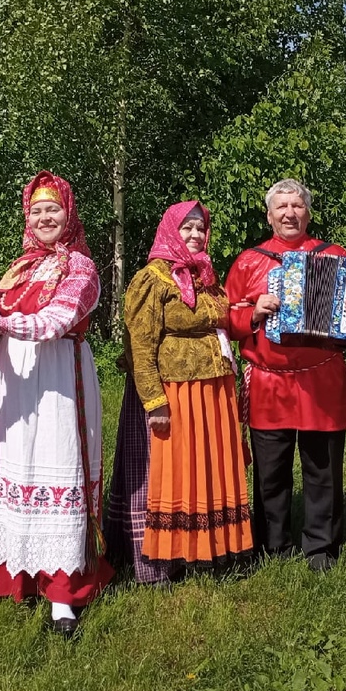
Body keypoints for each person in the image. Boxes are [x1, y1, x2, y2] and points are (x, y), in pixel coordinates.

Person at [0, 171, 112, 635]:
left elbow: (54, 321)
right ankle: (19, 577)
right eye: (36, 211)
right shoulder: (18, 267)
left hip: (59, 372)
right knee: (18, 463)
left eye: (53, 210)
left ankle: (64, 595)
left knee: (59, 463)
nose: (44, 217)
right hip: (15, 375)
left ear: (69, 215)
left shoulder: (80, 267)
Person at [106, 200, 253, 583]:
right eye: (186, 227)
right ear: (170, 229)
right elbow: (140, 343)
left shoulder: (205, 275)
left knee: (211, 467)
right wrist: (154, 401)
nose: (194, 235)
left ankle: (213, 549)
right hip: (178, 389)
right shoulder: (153, 278)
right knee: (180, 471)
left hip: (214, 388)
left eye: (200, 229)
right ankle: (176, 552)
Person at [224, 179, 346, 572]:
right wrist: (253, 312)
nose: (289, 213)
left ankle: (321, 547)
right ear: (269, 215)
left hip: (321, 378)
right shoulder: (249, 261)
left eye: (297, 206)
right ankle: (272, 543)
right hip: (269, 380)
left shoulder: (335, 256)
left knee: (323, 469)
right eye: (281, 207)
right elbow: (223, 318)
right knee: (271, 470)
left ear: (308, 213)